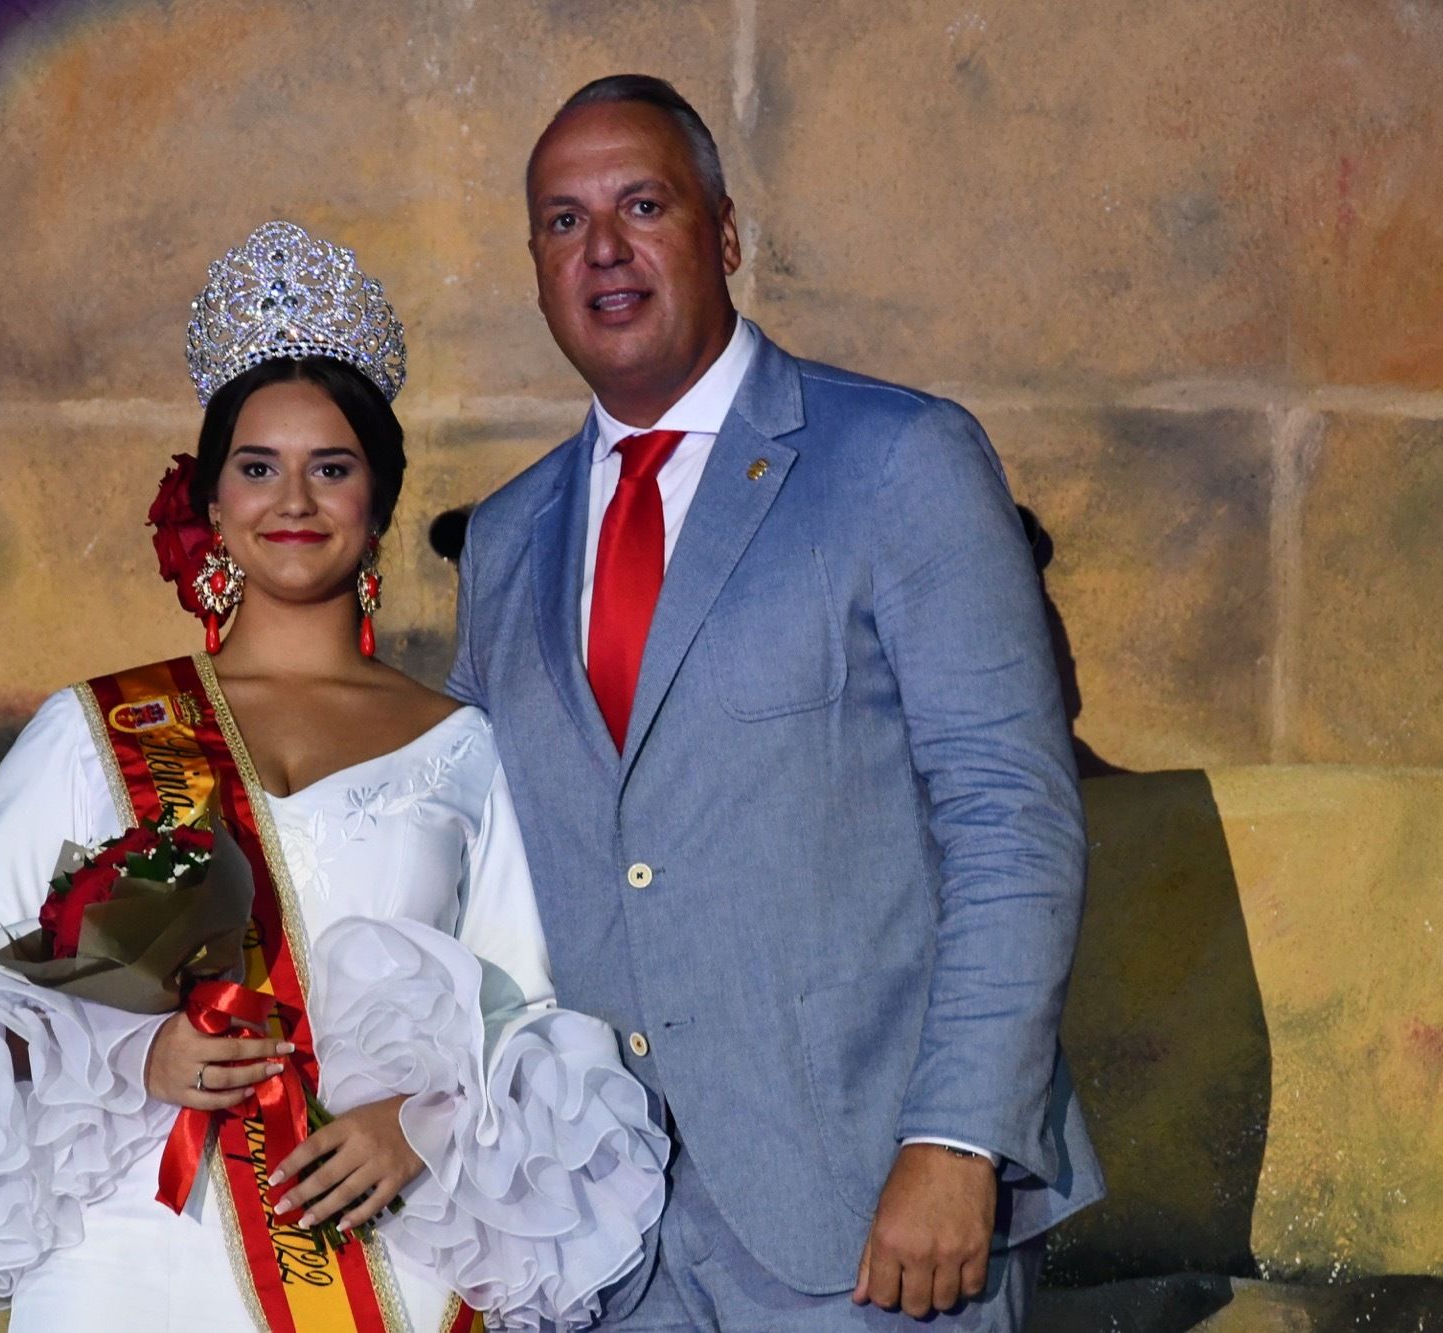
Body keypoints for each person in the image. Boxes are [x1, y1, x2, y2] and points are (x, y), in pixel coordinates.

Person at [0, 221, 667, 1333]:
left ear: (377, 503)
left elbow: (529, 1003)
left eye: (333, 467)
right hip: (132, 1235)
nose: (294, 500)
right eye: (257, 467)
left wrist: (414, 1125)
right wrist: (138, 1050)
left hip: (376, 1237)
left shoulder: (464, 749)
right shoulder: (95, 728)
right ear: (212, 504)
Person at [448, 76, 1105, 1329]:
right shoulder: (504, 538)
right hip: (600, 1249)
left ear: (726, 233)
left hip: (870, 1222)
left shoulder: (898, 460)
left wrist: (958, 1137)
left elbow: (1008, 815)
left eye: (643, 205)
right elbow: (466, 851)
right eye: (560, 221)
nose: (602, 250)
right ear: (534, 267)